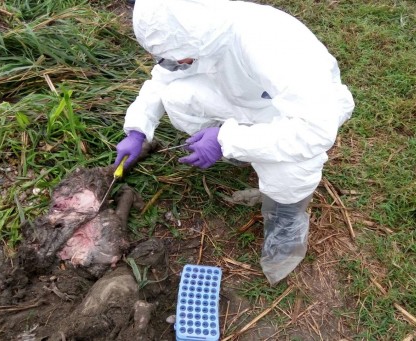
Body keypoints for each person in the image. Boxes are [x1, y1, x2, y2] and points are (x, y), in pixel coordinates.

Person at [115, 0, 355, 284]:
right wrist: (138, 129)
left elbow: (315, 130)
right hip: (246, 98)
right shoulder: (195, 32)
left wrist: (226, 138)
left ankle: (286, 226)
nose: (175, 63)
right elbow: (163, 80)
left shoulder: (269, 46)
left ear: (197, 37)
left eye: (178, 56)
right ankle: (242, 154)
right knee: (177, 97)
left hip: (294, 117)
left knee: (288, 172)